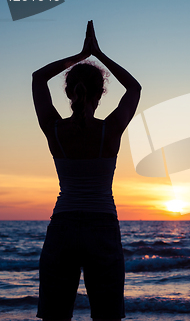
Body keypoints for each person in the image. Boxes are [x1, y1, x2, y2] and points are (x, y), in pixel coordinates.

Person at [32, 21, 141, 321]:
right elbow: (134, 88)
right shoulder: (111, 131)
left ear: (69, 92)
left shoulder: (54, 129)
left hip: (63, 225)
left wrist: (80, 56)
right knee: (107, 316)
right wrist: (98, 54)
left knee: (55, 315)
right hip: (102, 226)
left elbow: (38, 78)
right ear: (101, 93)